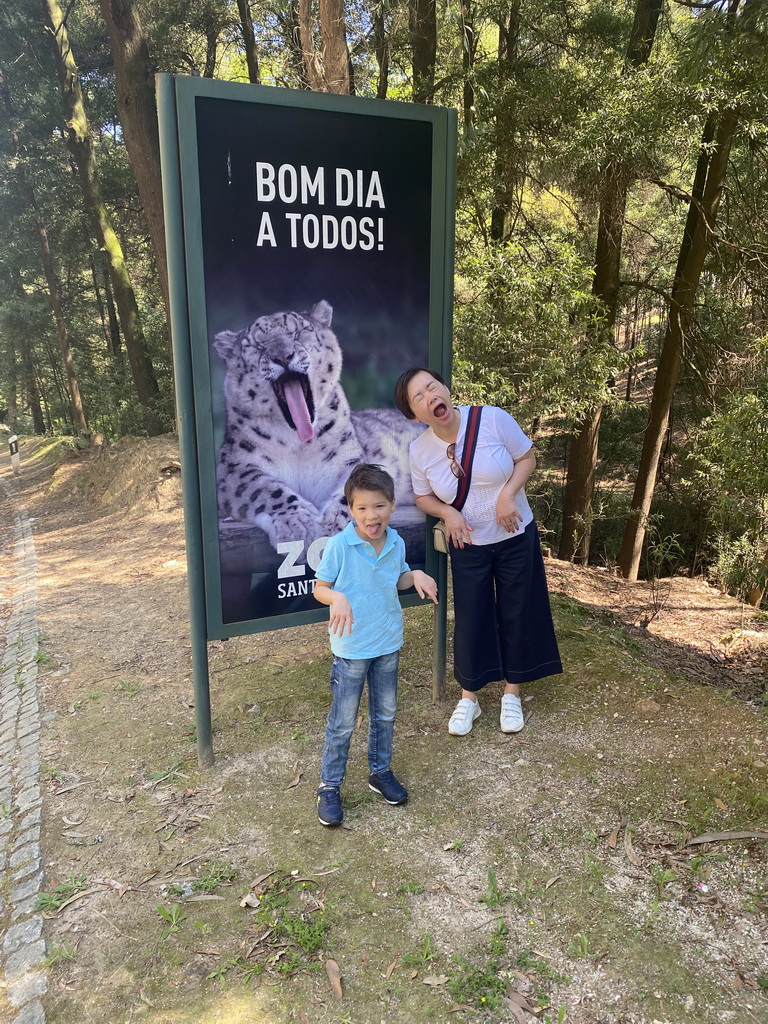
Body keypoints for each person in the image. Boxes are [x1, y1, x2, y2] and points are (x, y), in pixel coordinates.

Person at [394, 368, 562, 737]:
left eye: (431, 387)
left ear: (446, 389)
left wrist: (507, 494)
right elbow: (423, 497)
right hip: (468, 543)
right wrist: (448, 512)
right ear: (412, 415)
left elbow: (527, 458)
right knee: (471, 616)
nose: (430, 397)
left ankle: (512, 692)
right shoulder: (419, 450)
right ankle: (469, 696)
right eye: (418, 398)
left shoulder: (492, 419)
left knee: (517, 609)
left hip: (515, 534)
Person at [313, 463, 438, 826]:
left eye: (379, 506)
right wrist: (335, 598)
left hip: (387, 643)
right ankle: (329, 786)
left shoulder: (396, 541)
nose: (372, 515)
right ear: (351, 510)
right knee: (343, 723)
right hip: (351, 650)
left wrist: (414, 575)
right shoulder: (339, 545)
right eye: (363, 507)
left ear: (393, 505)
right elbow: (320, 587)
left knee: (384, 715)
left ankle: (379, 773)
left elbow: (395, 580)